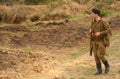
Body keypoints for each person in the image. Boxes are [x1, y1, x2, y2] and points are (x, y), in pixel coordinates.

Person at [90, 8, 111, 75]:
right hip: (94, 40)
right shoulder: (93, 21)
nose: (91, 15)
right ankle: (99, 70)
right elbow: (92, 28)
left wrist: (100, 33)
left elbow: (108, 30)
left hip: (101, 40)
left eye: (92, 14)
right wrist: (91, 30)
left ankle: (107, 65)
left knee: (100, 55)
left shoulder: (103, 21)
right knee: (96, 56)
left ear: (96, 14)